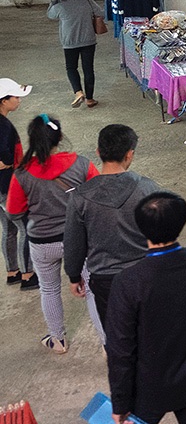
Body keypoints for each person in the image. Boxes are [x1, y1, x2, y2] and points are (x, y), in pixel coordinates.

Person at [105, 192, 186, 424]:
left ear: (140, 228)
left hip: (149, 386)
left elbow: (120, 349)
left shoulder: (128, 282)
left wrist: (120, 401)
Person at [6, 114, 102, 353]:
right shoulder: (81, 163)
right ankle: (107, 343)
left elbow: (14, 211)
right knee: (91, 289)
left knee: (49, 289)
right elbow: (99, 196)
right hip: (79, 239)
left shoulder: (22, 174)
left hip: (41, 242)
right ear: (60, 137)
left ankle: (57, 339)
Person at [64, 124, 160, 327]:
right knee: (150, 329)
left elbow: (74, 242)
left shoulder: (80, 197)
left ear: (98, 152)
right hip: (145, 274)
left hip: (105, 280)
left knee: (117, 333)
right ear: (130, 154)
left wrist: (74, 275)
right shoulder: (147, 188)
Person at [47, 0, 102, 108]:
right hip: (88, 40)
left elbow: (50, 15)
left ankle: (78, 92)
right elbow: (101, 13)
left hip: (69, 42)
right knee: (88, 69)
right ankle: (90, 99)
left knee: (71, 67)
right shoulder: (87, 1)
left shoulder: (59, 5)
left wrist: (54, 0)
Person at [0, 78, 34, 289]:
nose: (19, 101)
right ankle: (28, 275)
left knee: (9, 229)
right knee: (26, 228)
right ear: (3, 100)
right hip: (7, 187)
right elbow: (5, 159)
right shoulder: (3, 126)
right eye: (15, 97)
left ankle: (12, 271)